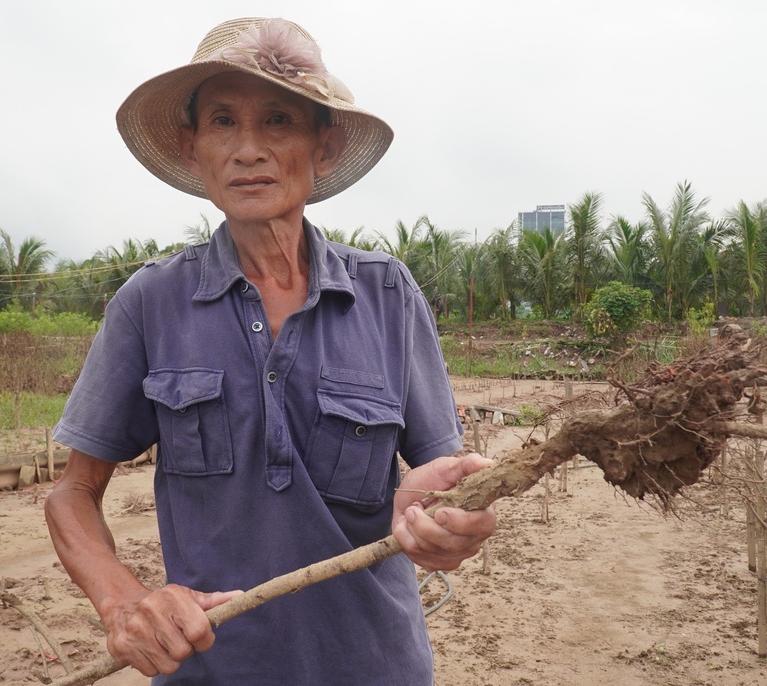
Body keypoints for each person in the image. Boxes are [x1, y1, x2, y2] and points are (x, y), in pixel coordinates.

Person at [45, 17, 496, 685]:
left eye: (278, 120)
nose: (248, 149)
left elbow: (439, 472)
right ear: (192, 146)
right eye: (223, 121)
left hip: (374, 666)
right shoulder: (151, 302)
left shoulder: (386, 294)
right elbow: (73, 493)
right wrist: (123, 602)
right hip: (212, 670)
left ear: (322, 146)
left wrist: (447, 519)